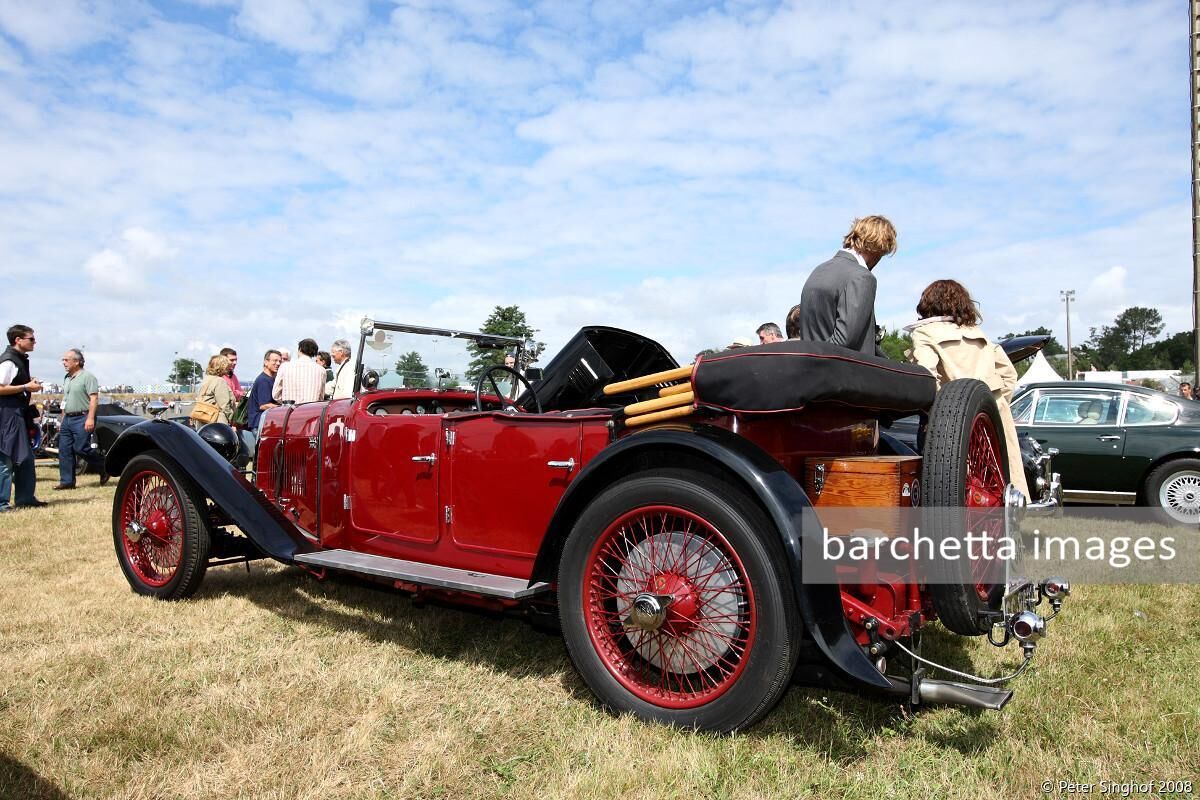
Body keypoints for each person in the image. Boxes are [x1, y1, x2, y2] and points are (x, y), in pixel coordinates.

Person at [905, 279, 1029, 498]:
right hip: (990, 418)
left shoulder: (925, 333)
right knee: (995, 486)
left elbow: (926, 377)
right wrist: (992, 405)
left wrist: (934, 411)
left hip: (951, 422)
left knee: (951, 491)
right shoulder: (978, 334)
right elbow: (1008, 374)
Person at [794, 215, 897, 355]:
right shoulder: (862, 277)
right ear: (879, 247)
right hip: (845, 373)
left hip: (811, 369)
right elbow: (843, 342)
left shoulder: (818, 270)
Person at [0, 324, 46, 511]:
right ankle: (2, 503)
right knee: (6, 457)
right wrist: (26, 387)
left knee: (25, 457)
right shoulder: (8, 361)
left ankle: (25, 498)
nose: (34, 342)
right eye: (31, 339)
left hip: (16, 413)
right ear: (18, 340)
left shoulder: (17, 359)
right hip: (7, 414)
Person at [54, 348, 109, 490]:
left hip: (82, 417)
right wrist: (63, 417)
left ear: (77, 362)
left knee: (80, 448)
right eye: (63, 360)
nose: (63, 362)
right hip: (68, 418)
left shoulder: (87, 377)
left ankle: (104, 466)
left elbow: (94, 398)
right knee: (64, 450)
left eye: (67, 360)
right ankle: (67, 481)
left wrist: (90, 418)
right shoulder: (67, 378)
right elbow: (65, 399)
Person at [272, 338, 327, 404]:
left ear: (300, 349)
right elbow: (321, 397)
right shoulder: (321, 370)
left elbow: (275, 394)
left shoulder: (285, 367)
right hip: (312, 411)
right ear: (314, 353)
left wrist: (286, 402)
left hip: (289, 410)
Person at [247, 350, 282, 431]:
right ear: (266, 362)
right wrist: (283, 408)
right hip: (259, 424)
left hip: (264, 423)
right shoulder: (263, 380)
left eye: (280, 361)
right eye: (275, 361)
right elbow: (264, 405)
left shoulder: (271, 379)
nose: (278, 364)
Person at [197, 354, 237, 424]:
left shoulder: (206, 379)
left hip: (203, 419)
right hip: (217, 421)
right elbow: (224, 404)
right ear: (222, 367)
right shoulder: (219, 381)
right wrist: (233, 420)